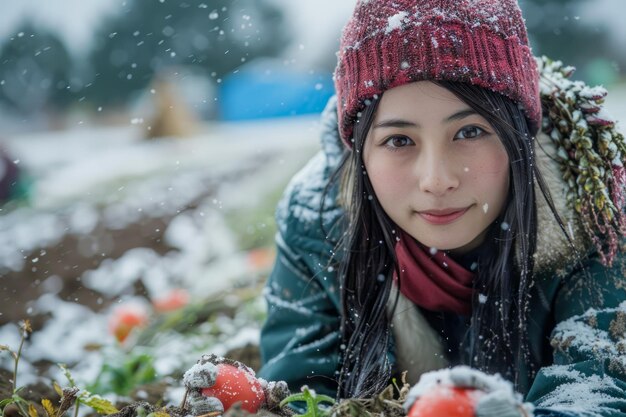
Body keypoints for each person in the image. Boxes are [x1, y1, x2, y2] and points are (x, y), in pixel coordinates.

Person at [184, 0, 626, 415]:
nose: (436, 180)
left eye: (469, 132)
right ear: (360, 153)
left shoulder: (594, 213)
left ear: (519, 136)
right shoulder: (318, 223)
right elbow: (306, 389)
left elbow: (596, 386)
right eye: (399, 140)